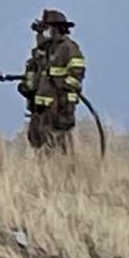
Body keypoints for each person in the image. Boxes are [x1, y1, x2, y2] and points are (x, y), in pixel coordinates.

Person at [18, 9, 86, 152]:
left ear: (56, 29)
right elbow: (35, 78)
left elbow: (76, 76)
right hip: (40, 109)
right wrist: (27, 88)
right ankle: (45, 172)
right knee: (37, 142)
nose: (42, 33)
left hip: (59, 109)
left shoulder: (68, 49)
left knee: (57, 146)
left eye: (46, 29)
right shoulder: (43, 53)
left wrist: (63, 96)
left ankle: (64, 170)